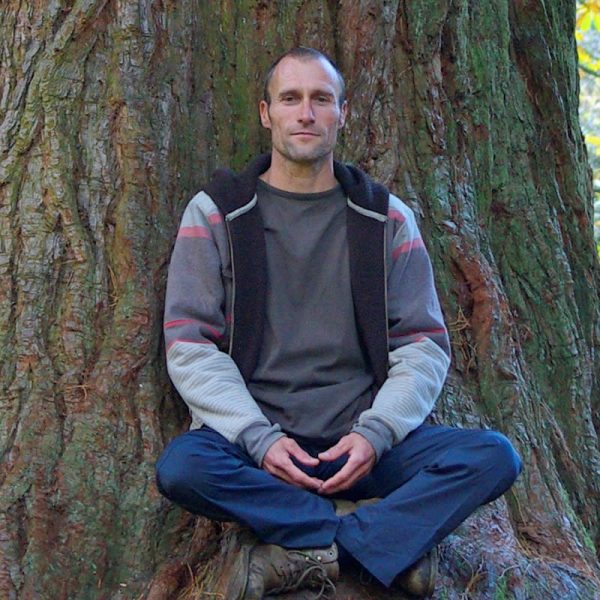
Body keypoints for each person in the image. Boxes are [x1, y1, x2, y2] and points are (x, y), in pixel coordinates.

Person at [156, 47, 522, 599]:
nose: (306, 113)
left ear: (342, 113)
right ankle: (377, 541)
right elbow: (190, 345)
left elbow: (423, 344)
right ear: (266, 113)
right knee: (183, 468)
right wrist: (258, 438)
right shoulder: (216, 213)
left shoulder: (385, 217)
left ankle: (307, 544)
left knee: (491, 457)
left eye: (321, 99)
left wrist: (375, 435)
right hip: (257, 449)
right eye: (290, 99)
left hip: (363, 446)